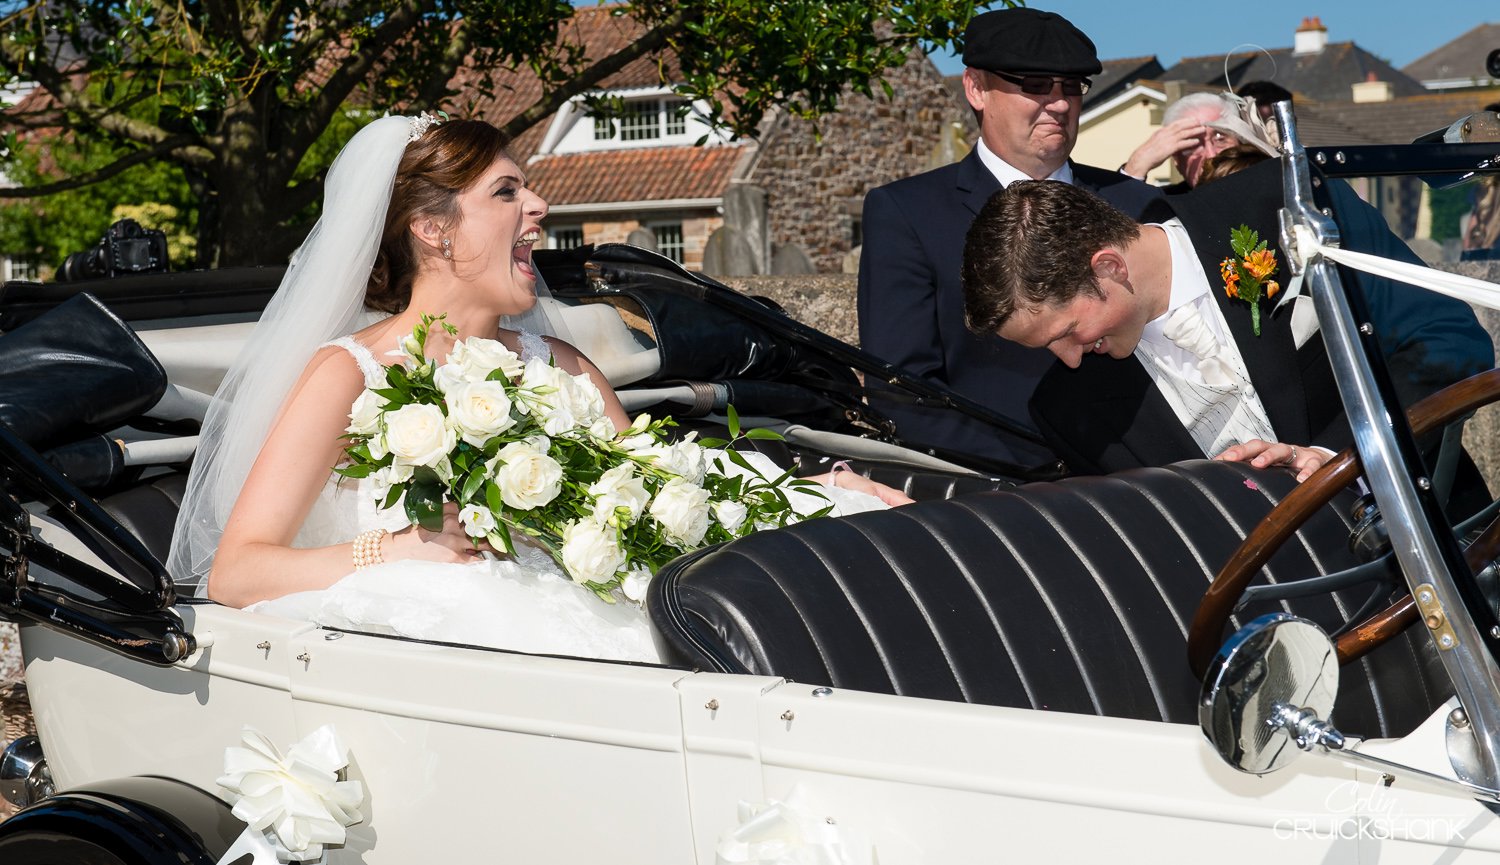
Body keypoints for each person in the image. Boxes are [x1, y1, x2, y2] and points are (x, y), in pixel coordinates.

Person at [167, 115, 910, 662]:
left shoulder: (560, 363)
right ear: (433, 227)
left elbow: (669, 487)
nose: (540, 207)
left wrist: (822, 491)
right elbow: (238, 572)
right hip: (449, 643)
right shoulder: (348, 375)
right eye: (507, 192)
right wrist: (397, 547)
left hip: (591, 610)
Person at [960, 165, 1493, 516]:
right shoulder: (1068, 411)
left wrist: (1336, 458)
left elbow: (1447, 341)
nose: (1069, 359)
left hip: (1451, 544)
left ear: (1109, 267)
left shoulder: (1289, 210)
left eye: (1068, 333)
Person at [856, 7, 1161, 468]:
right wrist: (1026, 473)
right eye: (1035, 85)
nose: (1059, 104)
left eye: (1072, 87)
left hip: (1143, 480)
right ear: (976, 88)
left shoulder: (1140, 206)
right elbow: (901, 386)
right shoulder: (908, 212)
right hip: (992, 487)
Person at [1120, 92, 1278, 192]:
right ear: (1176, 161)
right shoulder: (1166, 208)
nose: (1210, 155)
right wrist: (1136, 167)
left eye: (1220, 138)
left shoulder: (1271, 188)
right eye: (1193, 144)